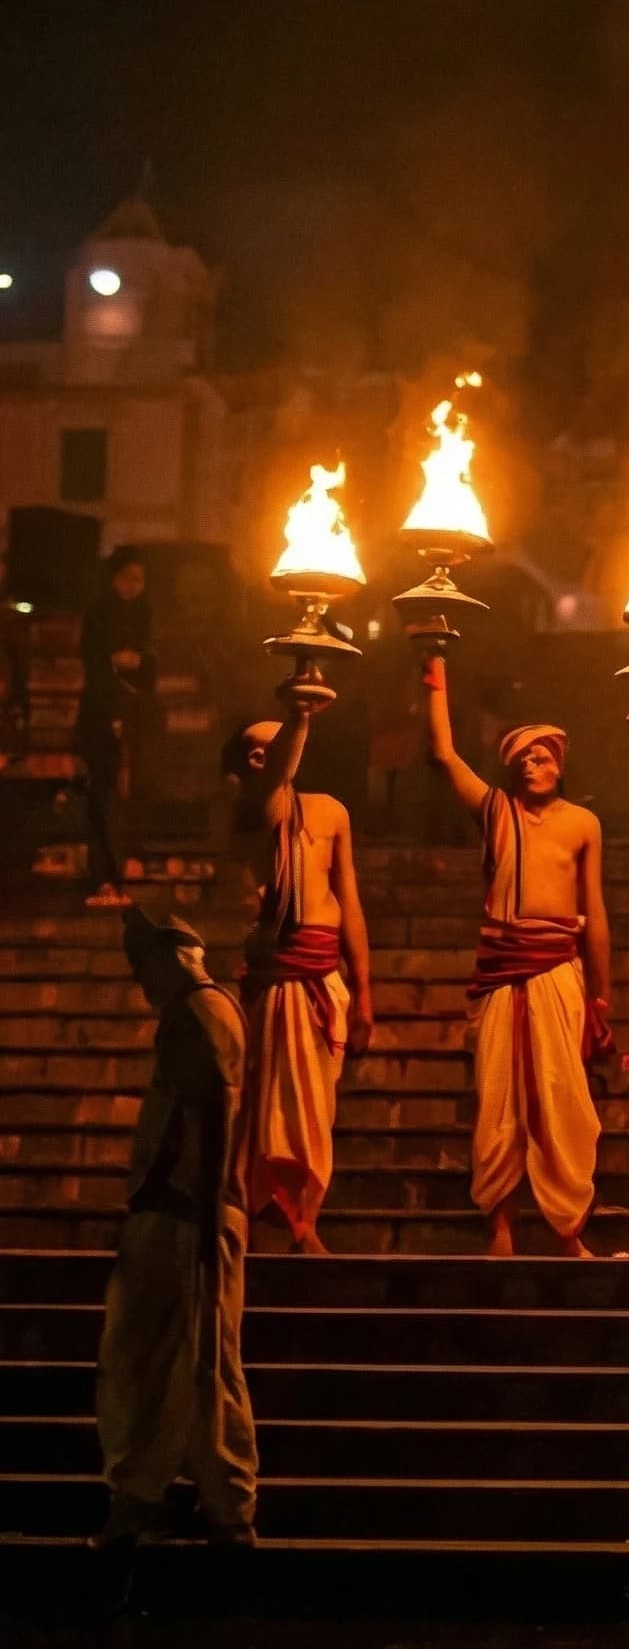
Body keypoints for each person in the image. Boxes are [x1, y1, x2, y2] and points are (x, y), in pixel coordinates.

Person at [421, 655, 610, 1257]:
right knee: (499, 1100)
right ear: (512, 771)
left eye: (544, 756)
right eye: (524, 758)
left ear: (560, 764)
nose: (534, 764)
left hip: (558, 968)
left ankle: (566, 1229)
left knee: (562, 1098)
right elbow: (445, 755)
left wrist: (602, 994)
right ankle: (500, 1227)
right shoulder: (497, 812)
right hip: (503, 967)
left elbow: (595, 911)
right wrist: (436, 672)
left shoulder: (583, 823)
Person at [93, 907, 256, 1548]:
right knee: (194, 1360)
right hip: (190, 1212)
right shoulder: (207, 1012)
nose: (141, 982)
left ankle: (145, 1500)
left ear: (172, 956)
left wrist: (207, 1213)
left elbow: (213, 1113)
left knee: (163, 1360)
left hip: (189, 1215)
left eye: (143, 966)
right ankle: (221, 1504)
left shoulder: (197, 1013)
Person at [224, 702, 373, 1255]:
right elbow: (277, 778)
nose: (268, 752)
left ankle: (303, 1218)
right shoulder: (250, 808)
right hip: (278, 977)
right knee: (274, 1108)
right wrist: (301, 712)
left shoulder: (330, 812)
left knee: (316, 1107)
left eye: (276, 741)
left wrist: (364, 991)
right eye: (255, 749)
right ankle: (288, 1225)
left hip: (321, 972)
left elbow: (349, 900)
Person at [78, 551, 158, 908]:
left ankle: (126, 873)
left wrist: (138, 662)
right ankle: (102, 879)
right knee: (104, 796)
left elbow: (151, 666)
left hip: (137, 718)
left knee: (133, 795)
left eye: (138, 580)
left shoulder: (145, 615)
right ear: (113, 579)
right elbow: (93, 664)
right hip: (101, 716)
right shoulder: (97, 615)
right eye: (127, 578)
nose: (132, 586)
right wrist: (113, 666)